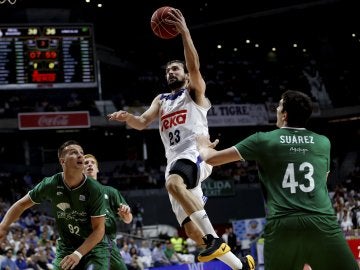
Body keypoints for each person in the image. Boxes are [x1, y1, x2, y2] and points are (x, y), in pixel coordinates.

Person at [108, 8, 254, 270]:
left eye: (176, 69)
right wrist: (127, 117)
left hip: (195, 154)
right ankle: (241, 266)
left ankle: (215, 239)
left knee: (174, 185)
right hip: (175, 159)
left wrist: (184, 32)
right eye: (168, 71)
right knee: (192, 232)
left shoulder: (195, 93)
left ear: (185, 75)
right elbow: (142, 122)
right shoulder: (161, 100)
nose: (171, 73)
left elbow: (195, 65)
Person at [196, 90, 359, 270]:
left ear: (285, 114)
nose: (276, 109)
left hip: (283, 224)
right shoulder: (323, 142)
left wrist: (203, 146)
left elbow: (212, 158)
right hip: (322, 222)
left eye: (279, 105)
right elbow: (322, 180)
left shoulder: (263, 140)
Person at [0, 140, 110, 270]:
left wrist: (78, 253)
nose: (80, 155)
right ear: (62, 161)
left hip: (94, 248)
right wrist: (3, 226)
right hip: (66, 247)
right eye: (74, 153)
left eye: (81, 152)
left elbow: (99, 230)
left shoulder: (95, 189)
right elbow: (21, 205)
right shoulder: (50, 184)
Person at [83, 154, 133, 270]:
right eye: (86, 163)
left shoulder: (110, 192)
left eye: (92, 163)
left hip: (109, 244)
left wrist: (125, 215)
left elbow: (128, 219)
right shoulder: (74, 195)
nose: (89, 164)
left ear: (97, 169)